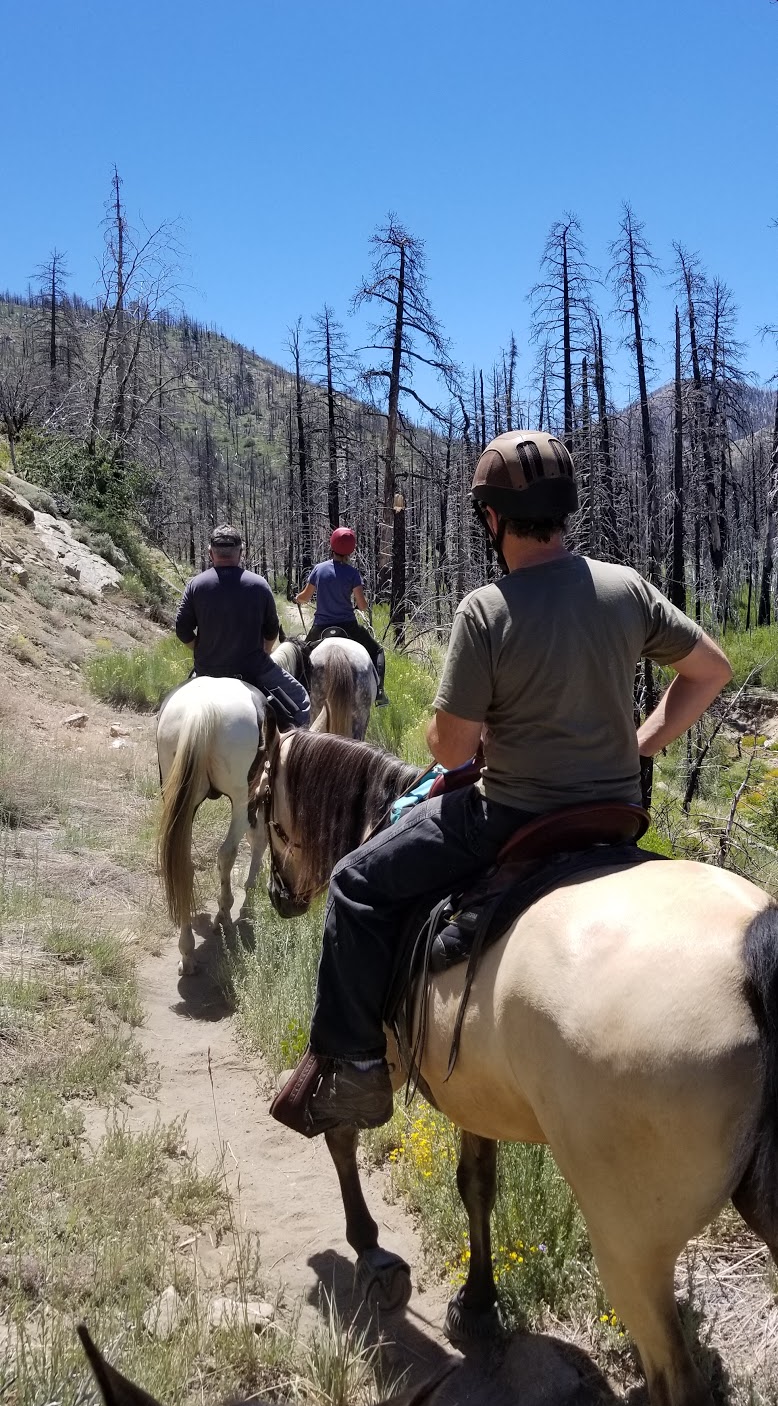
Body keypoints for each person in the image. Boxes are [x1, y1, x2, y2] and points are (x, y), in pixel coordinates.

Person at [271, 432, 732, 1137]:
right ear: (566, 509)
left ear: (491, 518)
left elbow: (453, 749)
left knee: (356, 882)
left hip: (512, 814)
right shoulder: (626, 588)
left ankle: (358, 1068)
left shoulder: (486, 610)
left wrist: (439, 731)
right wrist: (639, 743)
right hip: (616, 812)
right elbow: (711, 671)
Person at [175, 525, 310, 727]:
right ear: (241, 553)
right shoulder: (259, 585)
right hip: (253, 669)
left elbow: (182, 629)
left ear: (211, 553)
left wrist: (201, 649)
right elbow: (271, 630)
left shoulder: (196, 585)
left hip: (207, 669)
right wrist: (265, 653)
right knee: (302, 702)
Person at [295, 528, 389, 706]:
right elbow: (362, 605)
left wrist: (297, 598)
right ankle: (380, 692)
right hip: (348, 627)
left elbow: (305, 598)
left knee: (300, 657)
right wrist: (361, 604)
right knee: (377, 651)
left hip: (321, 627)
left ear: (332, 545)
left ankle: (299, 695)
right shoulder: (352, 573)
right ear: (351, 551)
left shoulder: (319, 569)